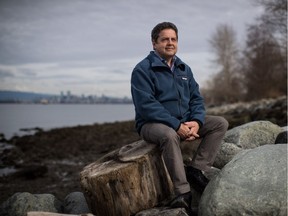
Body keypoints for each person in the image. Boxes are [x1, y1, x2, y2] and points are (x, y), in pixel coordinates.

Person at [130, 22, 228, 214]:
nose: (170, 43)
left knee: (219, 123)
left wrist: (197, 122)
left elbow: (196, 99)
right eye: (164, 39)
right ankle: (183, 193)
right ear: (154, 43)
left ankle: (197, 169)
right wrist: (176, 125)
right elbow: (146, 106)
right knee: (169, 135)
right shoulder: (143, 70)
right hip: (152, 124)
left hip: (183, 121)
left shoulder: (184, 68)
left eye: (173, 39)